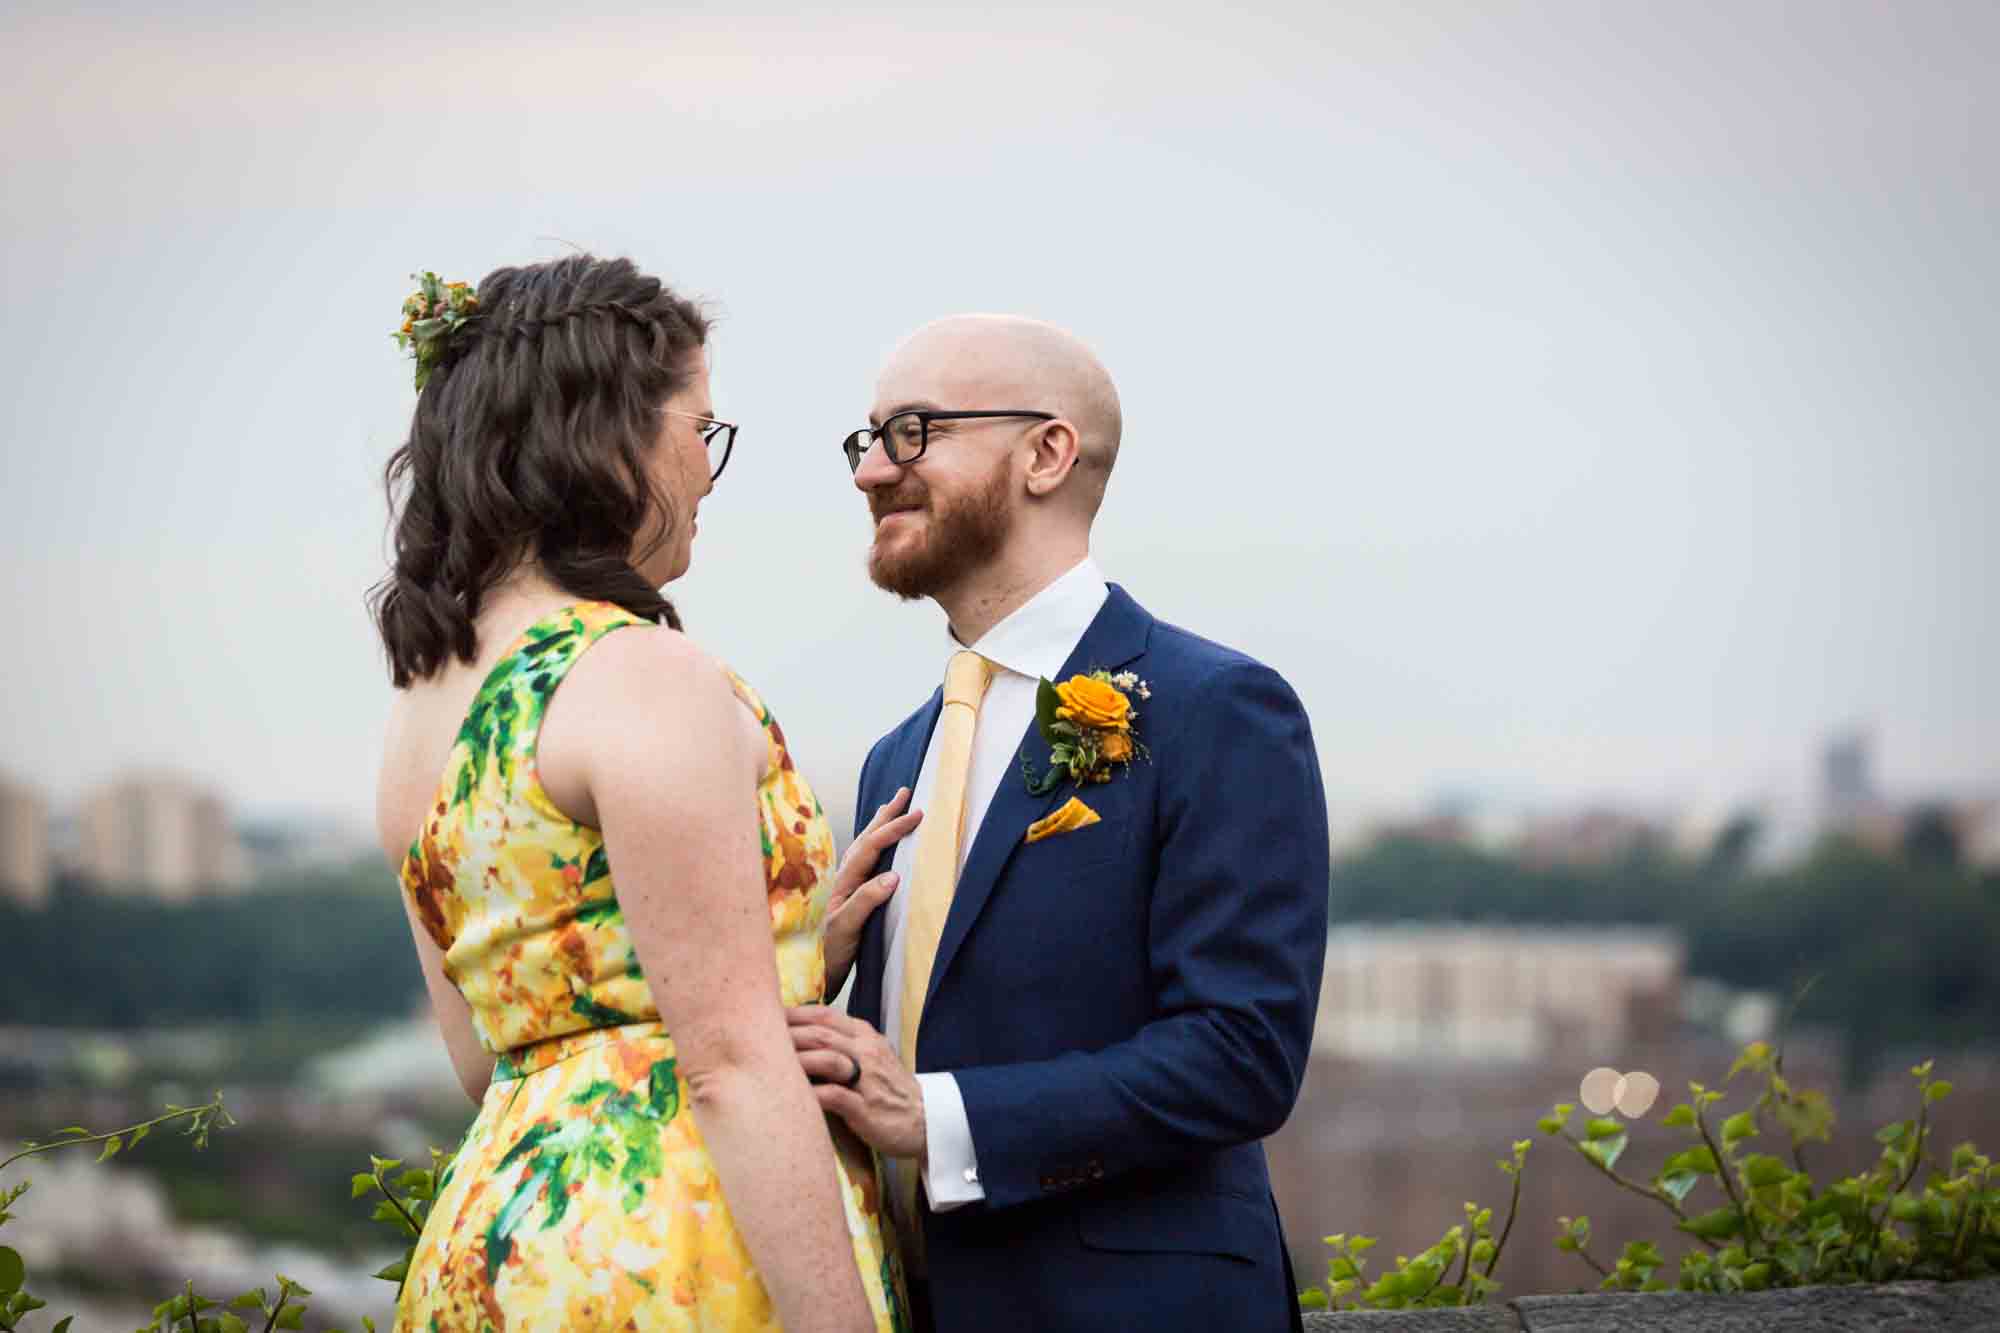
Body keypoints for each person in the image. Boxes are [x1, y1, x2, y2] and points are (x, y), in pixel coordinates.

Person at [368, 255, 909, 1332]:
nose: (707, 472)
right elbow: (731, 1070)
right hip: (670, 1252)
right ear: (609, 435)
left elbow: (491, 1053)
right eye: (698, 429)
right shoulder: (639, 672)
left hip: (499, 1244)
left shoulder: (425, 708)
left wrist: (776, 955)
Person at [790, 315, 1331, 1332]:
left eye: (913, 432)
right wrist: (801, 971)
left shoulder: (1216, 708)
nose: (871, 472)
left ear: (1045, 452)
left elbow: (1241, 1051)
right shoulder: (893, 760)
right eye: (868, 440)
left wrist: (939, 1118)